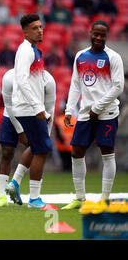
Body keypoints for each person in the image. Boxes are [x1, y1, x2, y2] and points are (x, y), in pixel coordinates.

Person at [62, 20, 124, 210]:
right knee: (76, 152)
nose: (98, 38)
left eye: (102, 35)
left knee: (106, 153)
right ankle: (80, 197)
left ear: (107, 36)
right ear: (90, 33)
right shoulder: (80, 56)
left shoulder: (113, 58)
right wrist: (69, 109)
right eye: (95, 34)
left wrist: (98, 108)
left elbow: (118, 87)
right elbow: (75, 84)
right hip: (85, 113)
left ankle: (105, 198)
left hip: (107, 112)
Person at [9, 13, 52, 209]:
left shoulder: (34, 50)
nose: (39, 30)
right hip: (29, 108)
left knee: (36, 147)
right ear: (25, 32)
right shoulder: (25, 51)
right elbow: (21, 80)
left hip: (29, 107)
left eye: (40, 27)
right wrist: (37, 107)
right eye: (35, 28)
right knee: (42, 150)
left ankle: (15, 183)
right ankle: (34, 199)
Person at [1, 68, 56, 207]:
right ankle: (31, 197)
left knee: (38, 148)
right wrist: (20, 131)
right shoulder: (10, 77)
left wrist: (47, 135)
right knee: (9, 152)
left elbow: (50, 107)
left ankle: (15, 183)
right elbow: (9, 106)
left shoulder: (48, 79)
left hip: (36, 114)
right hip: (14, 114)